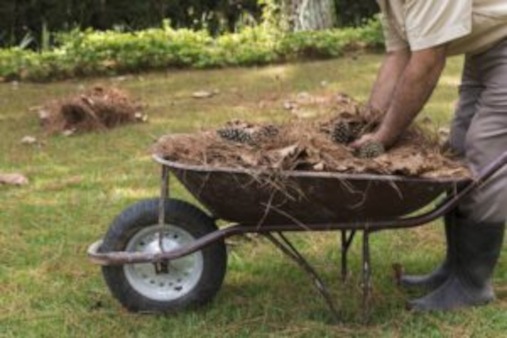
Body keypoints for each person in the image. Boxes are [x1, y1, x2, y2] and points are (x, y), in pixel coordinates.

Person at [351, 1, 507, 311]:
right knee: (458, 150)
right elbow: (399, 55)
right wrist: (367, 122)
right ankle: (454, 269)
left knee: (484, 155)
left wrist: (382, 137)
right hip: (488, 44)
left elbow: (426, 63)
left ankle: (472, 285)